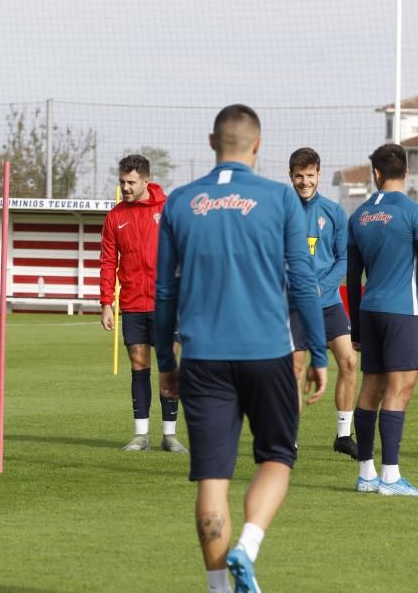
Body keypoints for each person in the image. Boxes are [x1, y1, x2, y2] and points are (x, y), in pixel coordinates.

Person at [154, 105, 328, 593]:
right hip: (268, 352)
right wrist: (317, 353)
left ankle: (217, 588)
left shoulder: (181, 201)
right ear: (258, 144)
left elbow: (164, 291)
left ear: (213, 143)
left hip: (203, 357)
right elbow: (304, 282)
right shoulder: (279, 198)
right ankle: (247, 547)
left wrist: (167, 362)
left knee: (212, 478)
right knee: (276, 458)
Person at [346, 143, 418, 497]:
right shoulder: (414, 213)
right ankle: (390, 478)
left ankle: (366, 474)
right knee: (399, 390)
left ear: (375, 174)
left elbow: (353, 276)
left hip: (369, 313)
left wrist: (357, 330)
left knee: (371, 390)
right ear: (406, 172)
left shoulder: (358, 215)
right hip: (401, 313)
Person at [99, 155, 186, 453]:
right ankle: (140, 435)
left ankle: (170, 436)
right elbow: (108, 261)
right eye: (122, 182)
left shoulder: (169, 210)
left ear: (146, 181)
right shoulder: (115, 217)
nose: (125, 187)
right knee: (139, 366)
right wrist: (106, 303)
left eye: (131, 182)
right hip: (133, 304)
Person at [286, 147, 359, 457]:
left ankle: (343, 435)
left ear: (319, 174)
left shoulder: (333, 211)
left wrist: (320, 287)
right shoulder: (280, 212)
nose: (305, 182)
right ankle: (289, 439)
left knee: (349, 361)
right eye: (299, 176)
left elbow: (343, 260)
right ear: (291, 176)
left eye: (310, 175)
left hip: (328, 303)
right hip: (292, 306)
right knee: (296, 371)